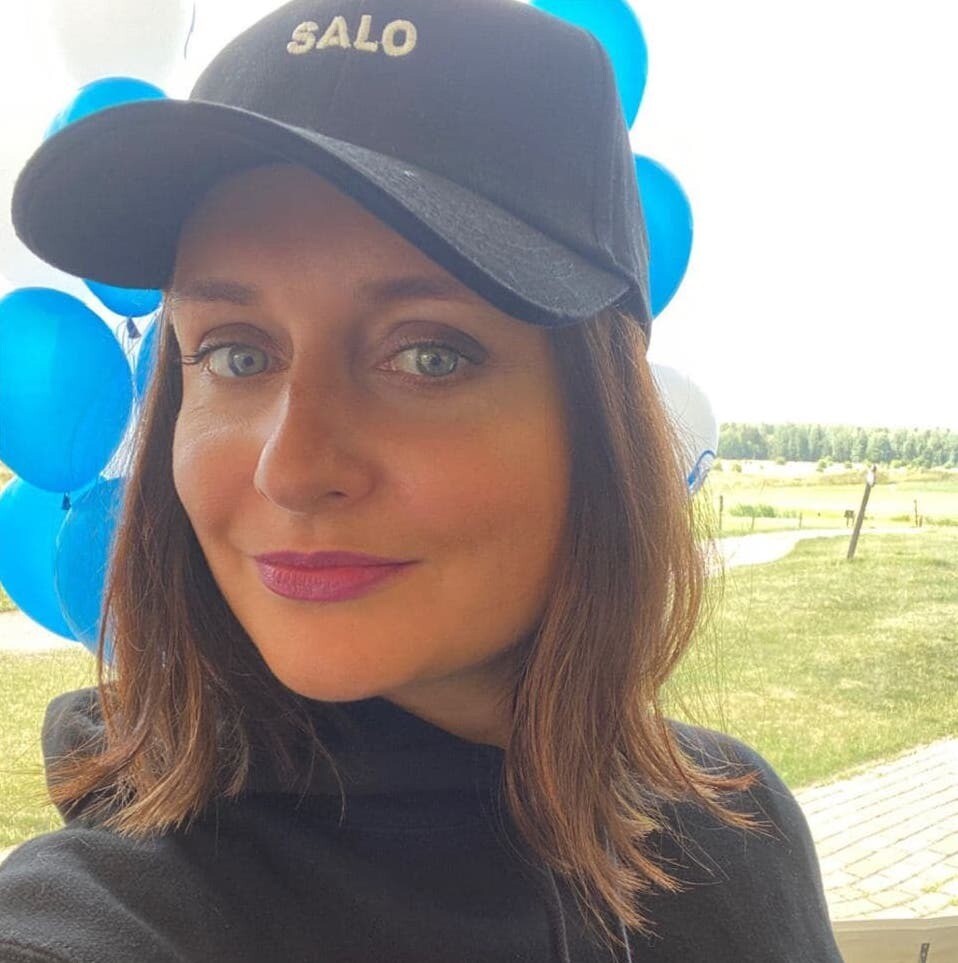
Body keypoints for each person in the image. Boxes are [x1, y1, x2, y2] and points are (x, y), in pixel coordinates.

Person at [0, 1, 844, 960]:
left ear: (600, 423)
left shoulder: (738, 834)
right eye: (237, 353)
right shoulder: (103, 923)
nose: (292, 467)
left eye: (429, 355)